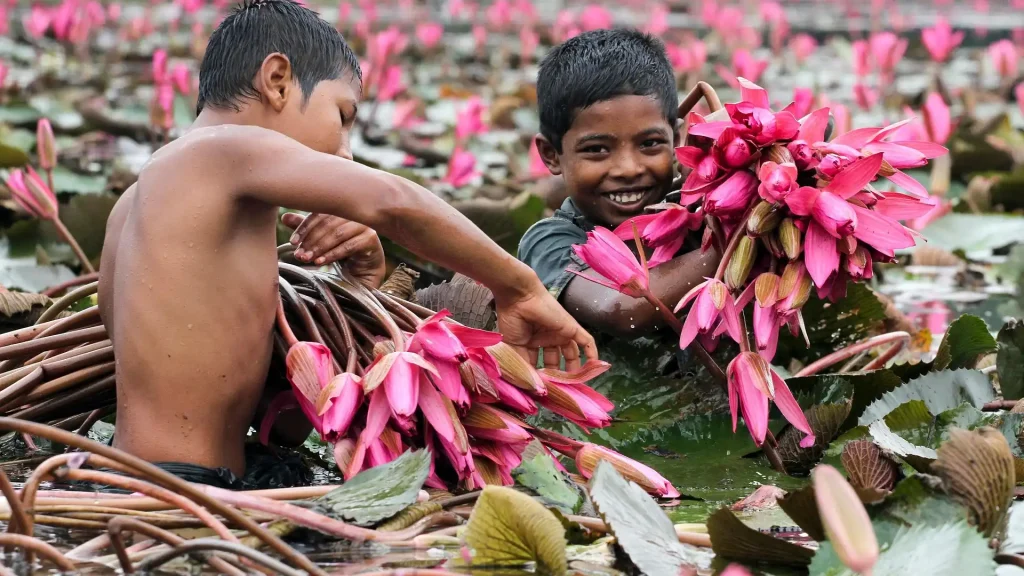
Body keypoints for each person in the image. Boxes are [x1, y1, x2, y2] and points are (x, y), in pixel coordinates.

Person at [97, 0, 597, 487]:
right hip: (186, 494)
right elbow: (390, 200)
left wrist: (357, 283)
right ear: (277, 81)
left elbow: (281, 418)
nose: (346, 151)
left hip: (139, 483)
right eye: (342, 115)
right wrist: (519, 287)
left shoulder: (136, 205)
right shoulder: (222, 150)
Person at [518, 29, 721, 337]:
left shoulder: (699, 207)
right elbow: (620, 309)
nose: (628, 169)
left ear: (677, 139)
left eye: (650, 143)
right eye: (597, 149)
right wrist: (733, 243)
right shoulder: (548, 242)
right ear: (552, 155)